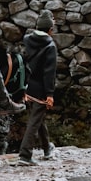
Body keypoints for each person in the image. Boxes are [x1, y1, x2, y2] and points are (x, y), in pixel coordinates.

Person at [18, 9, 58, 165]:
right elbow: (49, 73)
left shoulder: (27, 39)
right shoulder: (50, 46)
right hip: (41, 89)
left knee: (38, 118)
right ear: (50, 29)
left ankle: (47, 148)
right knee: (35, 121)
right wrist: (50, 94)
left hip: (28, 87)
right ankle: (25, 155)